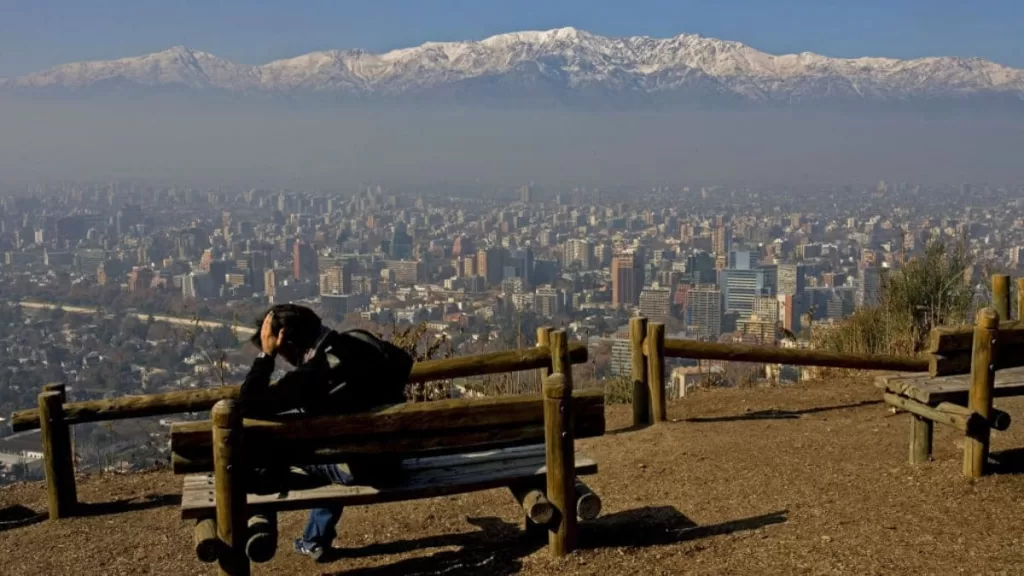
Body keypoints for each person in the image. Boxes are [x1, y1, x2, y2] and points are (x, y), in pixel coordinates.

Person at [239, 303, 413, 562]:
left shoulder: (312, 375)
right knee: (337, 446)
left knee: (266, 443)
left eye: (282, 352)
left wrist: (266, 356)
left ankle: (261, 518)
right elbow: (404, 361)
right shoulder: (360, 340)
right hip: (394, 460)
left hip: (361, 468)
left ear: (286, 341)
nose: (286, 361)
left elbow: (248, 405)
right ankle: (314, 539)